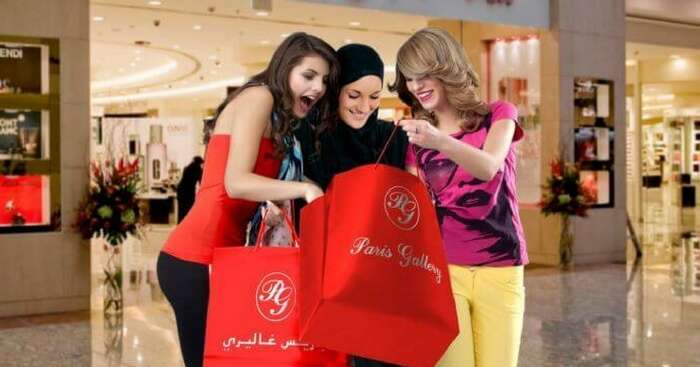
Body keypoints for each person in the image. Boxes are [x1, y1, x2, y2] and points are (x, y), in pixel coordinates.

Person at [156, 32, 339, 367]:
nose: (317, 88)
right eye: (308, 76)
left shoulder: (279, 119)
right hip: (195, 260)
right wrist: (304, 190)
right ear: (284, 69)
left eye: (324, 81)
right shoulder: (260, 97)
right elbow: (236, 183)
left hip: (225, 259)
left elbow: (280, 179)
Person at [392, 28, 528, 367]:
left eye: (424, 75)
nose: (416, 85)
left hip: (502, 269)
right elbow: (417, 212)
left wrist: (441, 142)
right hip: (444, 270)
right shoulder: (417, 140)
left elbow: (490, 167)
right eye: (409, 78)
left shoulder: (499, 114)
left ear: (446, 69)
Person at [294, 43, 407, 367]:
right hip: (328, 280)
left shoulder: (392, 138)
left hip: (383, 282)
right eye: (354, 95)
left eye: (374, 96)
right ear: (336, 90)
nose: (365, 106)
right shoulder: (309, 137)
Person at [176, 156, 203, 223]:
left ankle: (180, 224)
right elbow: (201, 183)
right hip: (188, 192)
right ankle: (186, 224)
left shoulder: (187, 167)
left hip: (181, 190)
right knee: (189, 209)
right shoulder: (198, 170)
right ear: (199, 163)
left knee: (181, 210)